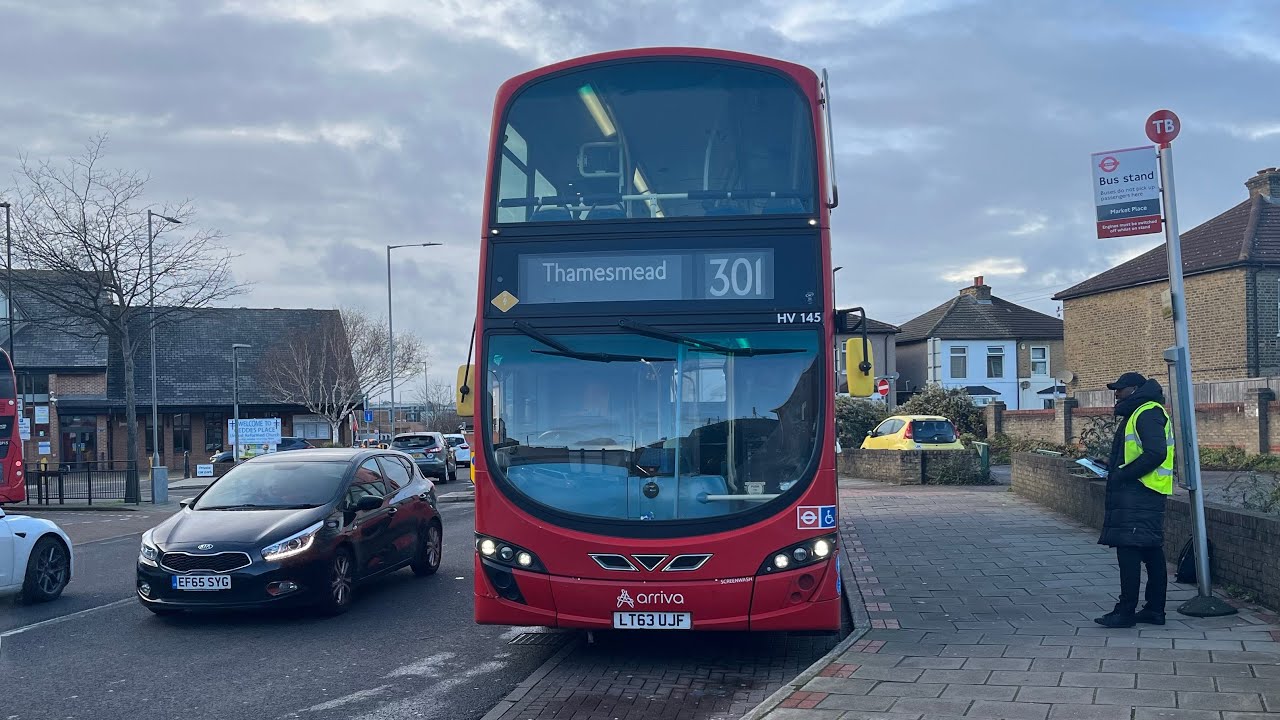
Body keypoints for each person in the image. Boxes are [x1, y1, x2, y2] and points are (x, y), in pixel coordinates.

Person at [1095, 372, 1175, 628]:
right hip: (1144, 491)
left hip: (1139, 492)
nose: (1116, 394)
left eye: (1120, 389)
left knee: (1128, 551)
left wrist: (1122, 474)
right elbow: (1141, 452)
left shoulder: (1147, 412)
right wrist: (1113, 464)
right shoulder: (1142, 411)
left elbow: (1155, 453)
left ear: (1135, 389)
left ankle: (1125, 612)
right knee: (1151, 551)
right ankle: (1154, 610)